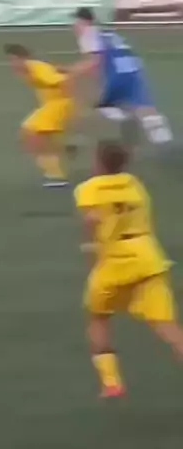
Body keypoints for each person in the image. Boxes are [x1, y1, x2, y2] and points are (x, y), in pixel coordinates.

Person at [75, 140, 183, 398]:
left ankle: (111, 382)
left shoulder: (88, 189)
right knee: (168, 326)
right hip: (148, 257)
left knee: (98, 318)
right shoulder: (135, 184)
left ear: (98, 162)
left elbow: (91, 220)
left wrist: (90, 252)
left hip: (114, 260)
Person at [70, 7, 172, 145]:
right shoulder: (108, 33)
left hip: (115, 75)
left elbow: (94, 61)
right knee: (143, 108)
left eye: (75, 22)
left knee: (89, 104)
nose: (74, 26)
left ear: (83, 21)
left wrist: (69, 71)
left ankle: (80, 137)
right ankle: (165, 143)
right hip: (133, 71)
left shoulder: (88, 33)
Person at [4, 44, 76, 188]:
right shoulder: (32, 68)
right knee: (38, 138)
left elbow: (61, 80)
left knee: (30, 132)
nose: (12, 64)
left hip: (61, 104)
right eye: (10, 60)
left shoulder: (34, 67)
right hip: (56, 105)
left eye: (13, 60)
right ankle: (63, 150)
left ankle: (56, 175)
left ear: (23, 58)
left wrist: (74, 95)